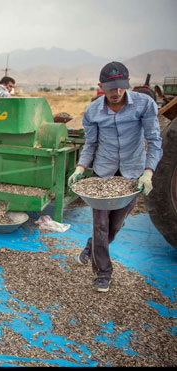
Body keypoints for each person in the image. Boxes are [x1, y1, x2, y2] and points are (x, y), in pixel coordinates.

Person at [68, 61, 162, 292]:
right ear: (101, 86)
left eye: (121, 87)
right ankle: (103, 272)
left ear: (127, 84)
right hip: (104, 173)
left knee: (115, 225)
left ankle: (91, 247)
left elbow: (155, 140)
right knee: (100, 224)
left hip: (133, 173)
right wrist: (81, 167)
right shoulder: (93, 111)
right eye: (111, 88)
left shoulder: (144, 104)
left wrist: (148, 173)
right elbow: (91, 143)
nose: (116, 93)